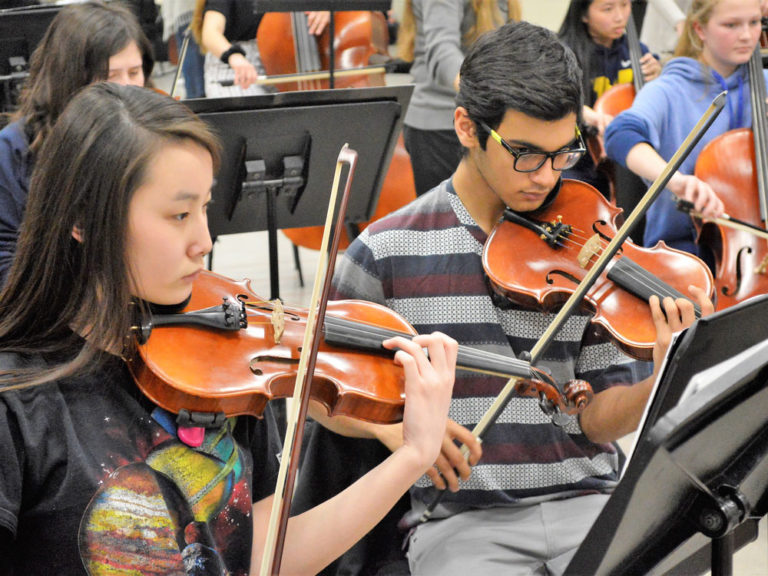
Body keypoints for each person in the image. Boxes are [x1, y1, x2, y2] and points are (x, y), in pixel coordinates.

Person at [302, 19, 713, 575]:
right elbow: (320, 389)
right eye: (524, 153)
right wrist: (395, 432)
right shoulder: (385, 251)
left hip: (587, 503)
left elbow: (592, 420)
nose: (545, 177)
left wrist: (661, 382)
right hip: (461, 523)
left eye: (561, 153)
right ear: (467, 127)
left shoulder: (592, 242)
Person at [0, 82, 457, 574]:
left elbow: (265, 556)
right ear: (83, 220)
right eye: (179, 214)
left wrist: (411, 458)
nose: (204, 240)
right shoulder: (19, 403)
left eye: (204, 207)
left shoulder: (223, 366)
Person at [0, 1, 154, 288]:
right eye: (110, 76)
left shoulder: (152, 138)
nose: (127, 89)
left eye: (134, 73)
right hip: (50, 311)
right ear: (70, 79)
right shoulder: (12, 150)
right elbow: (4, 256)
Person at [604, 0, 766, 266]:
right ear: (699, 29)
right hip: (683, 254)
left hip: (755, 251)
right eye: (731, 25)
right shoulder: (668, 90)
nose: (747, 35)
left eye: (754, 22)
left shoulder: (763, 85)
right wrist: (677, 181)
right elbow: (620, 134)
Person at [397, 0, 521, 196]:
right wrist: (483, 95)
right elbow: (442, 52)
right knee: (448, 221)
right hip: (439, 126)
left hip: (479, 119)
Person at [557, 0, 662, 199]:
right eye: (608, 8)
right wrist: (581, 111)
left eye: (625, 5)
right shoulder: (562, 53)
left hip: (626, 162)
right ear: (583, 14)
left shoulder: (637, 52)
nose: (620, 16)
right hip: (576, 161)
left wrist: (658, 80)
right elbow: (552, 100)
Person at [191, 0, 330, 98]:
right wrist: (235, 57)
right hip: (235, 67)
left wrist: (329, 7)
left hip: (289, 66)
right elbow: (210, 33)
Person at [161, 0, 206, 98]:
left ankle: (195, 99)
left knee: (190, 58)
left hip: (185, 13)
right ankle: (197, 98)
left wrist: (169, 23)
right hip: (196, 12)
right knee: (194, 58)